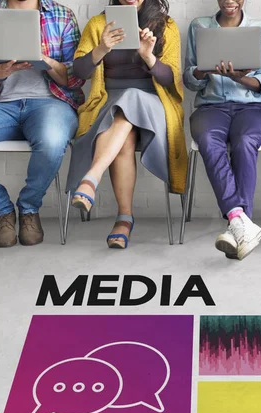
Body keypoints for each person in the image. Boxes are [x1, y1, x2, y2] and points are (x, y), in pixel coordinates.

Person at [67, 0, 187, 249]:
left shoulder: (167, 25)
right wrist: (101, 49)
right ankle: (124, 218)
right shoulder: (99, 23)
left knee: (130, 98)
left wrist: (148, 57)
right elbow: (78, 71)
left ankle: (91, 178)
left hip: (154, 102)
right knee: (124, 136)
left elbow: (171, 79)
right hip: (109, 102)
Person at [184, 0, 261, 260]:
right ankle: (240, 222)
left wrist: (238, 77)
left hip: (254, 109)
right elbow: (189, 80)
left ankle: (236, 224)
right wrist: (204, 70)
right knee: (209, 141)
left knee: (245, 141)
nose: (229, 0)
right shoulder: (199, 27)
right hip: (211, 107)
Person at [0, 0, 83, 248]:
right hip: (1, 103)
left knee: (52, 140)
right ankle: (1, 210)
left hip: (50, 102)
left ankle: (29, 209)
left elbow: (76, 77)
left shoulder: (61, 15)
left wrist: (47, 62)